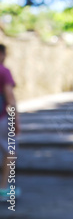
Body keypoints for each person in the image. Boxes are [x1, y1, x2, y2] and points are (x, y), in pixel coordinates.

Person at [0, 44, 20, 200]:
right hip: (2, 118)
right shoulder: (4, 72)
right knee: (11, 151)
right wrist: (16, 121)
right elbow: (10, 100)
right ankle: (3, 188)